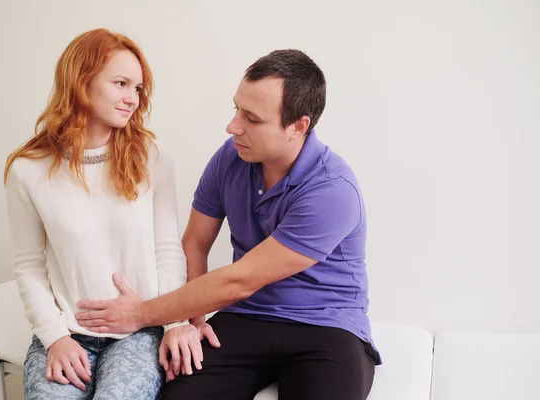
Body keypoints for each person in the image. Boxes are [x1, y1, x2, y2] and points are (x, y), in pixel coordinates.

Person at [76, 49, 381, 399]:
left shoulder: (332, 189)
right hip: (247, 317)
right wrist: (190, 320)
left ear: (298, 126)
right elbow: (195, 243)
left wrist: (142, 314)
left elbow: (241, 280)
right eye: (236, 109)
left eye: (252, 118)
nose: (233, 126)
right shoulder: (231, 156)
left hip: (326, 324)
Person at [4, 28, 203, 400]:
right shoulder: (28, 169)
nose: (132, 98)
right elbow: (28, 265)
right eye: (121, 83)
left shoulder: (152, 159)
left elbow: (166, 251)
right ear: (82, 81)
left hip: (139, 333)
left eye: (138, 88)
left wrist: (175, 321)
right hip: (66, 333)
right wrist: (55, 337)